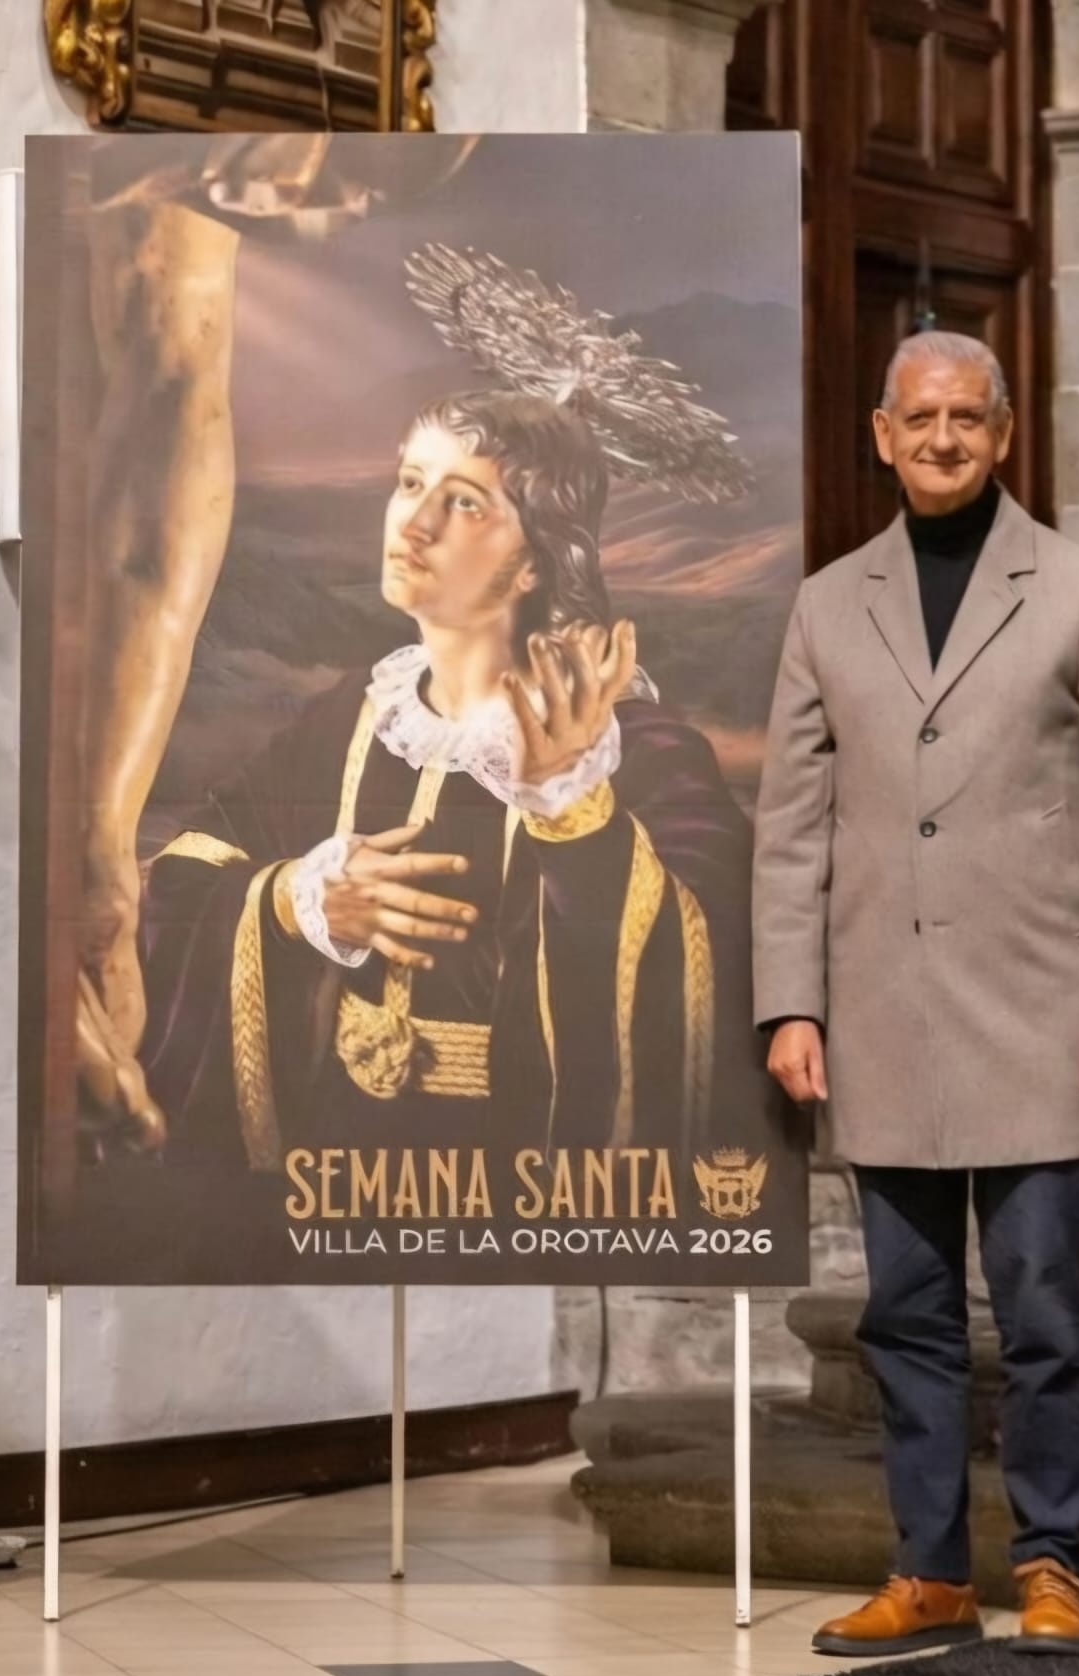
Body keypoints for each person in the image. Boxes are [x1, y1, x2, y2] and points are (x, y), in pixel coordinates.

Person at [753, 331, 1079, 1658]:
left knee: (1046, 1317)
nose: (943, 439)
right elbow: (792, 828)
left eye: (968, 420)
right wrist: (791, 1004)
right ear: (882, 434)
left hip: (1049, 1022)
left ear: (1004, 438)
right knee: (907, 1316)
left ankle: (1053, 1563)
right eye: (919, 418)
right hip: (881, 1017)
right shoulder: (828, 602)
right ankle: (930, 1570)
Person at [131, 387, 761, 1174]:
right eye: (409, 483)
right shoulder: (352, 721)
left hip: (517, 1172)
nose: (415, 522)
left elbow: (703, 965)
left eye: (463, 503)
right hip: (341, 1170)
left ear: (536, 556)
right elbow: (190, 870)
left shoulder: (635, 748)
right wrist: (295, 902)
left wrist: (575, 817)